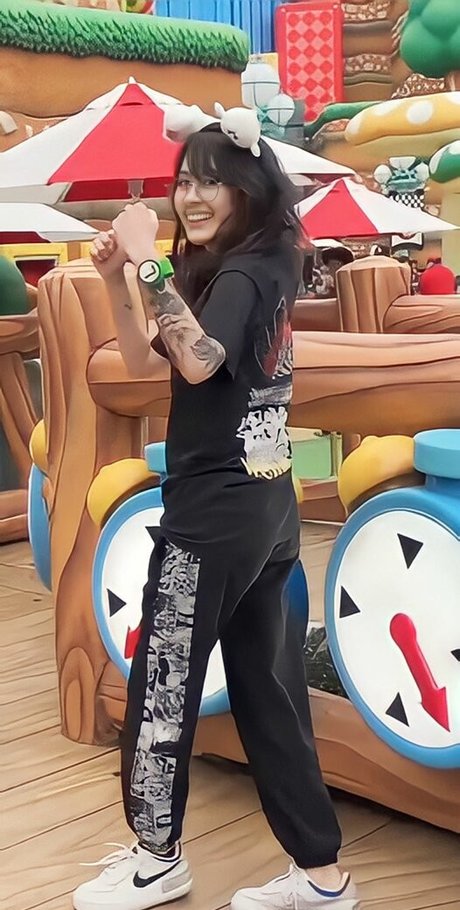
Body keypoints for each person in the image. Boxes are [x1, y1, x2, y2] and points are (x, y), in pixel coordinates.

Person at [72, 112, 358, 910]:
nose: (191, 196)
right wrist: (117, 278)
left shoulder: (244, 273)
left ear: (247, 187)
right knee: (268, 695)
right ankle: (322, 875)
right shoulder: (252, 264)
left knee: (163, 682)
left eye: (211, 181)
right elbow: (146, 360)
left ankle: (156, 857)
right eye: (184, 181)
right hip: (265, 505)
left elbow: (196, 363)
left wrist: (147, 261)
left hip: (213, 518)